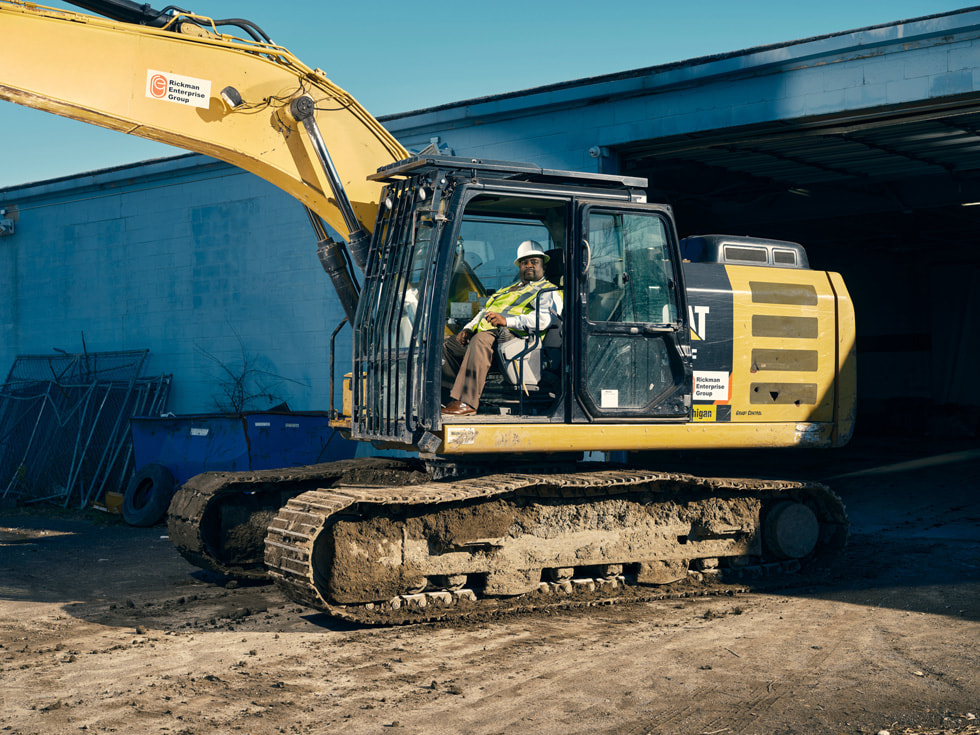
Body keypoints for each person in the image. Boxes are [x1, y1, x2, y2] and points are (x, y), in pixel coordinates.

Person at [442, 240, 562, 416]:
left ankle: (467, 402)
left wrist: (507, 321)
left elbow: (543, 320)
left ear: (543, 266)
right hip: (491, 334)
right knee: (446, 345)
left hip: (517, 339)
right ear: (519, 267)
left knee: (481, 340)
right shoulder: (506, 290)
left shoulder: (548, 291)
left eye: (534, 262)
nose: (529, 266)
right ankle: (449, 399)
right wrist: (468, 328)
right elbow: (484, 312)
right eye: (524, 262)